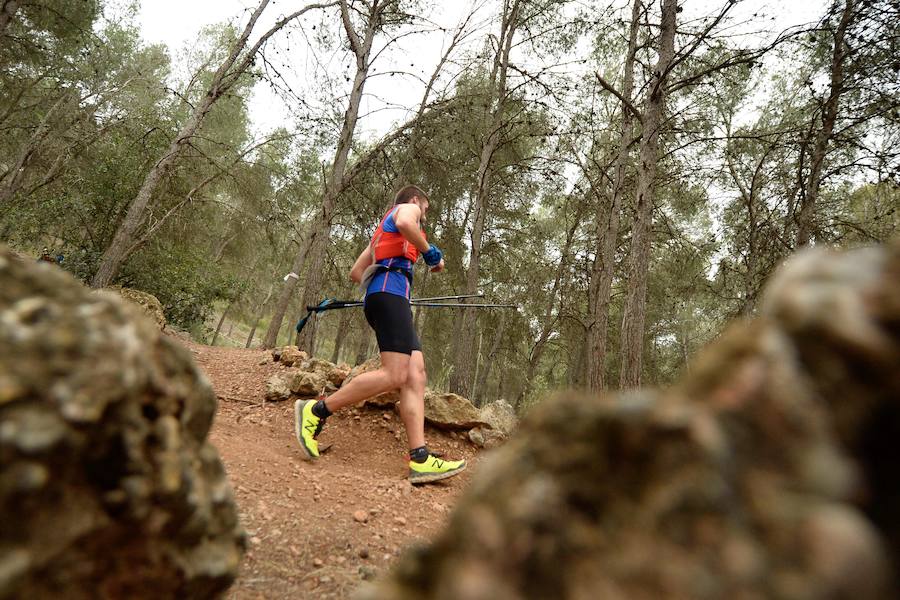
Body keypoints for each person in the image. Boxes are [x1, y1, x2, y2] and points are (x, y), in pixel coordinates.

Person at [294, 185, 467, 484]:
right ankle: (317, 410)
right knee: (395, 374)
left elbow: (356, 272)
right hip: (390, 296)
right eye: (425, 208)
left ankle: (420, 459)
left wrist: (383, 287)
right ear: (415, 200)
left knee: (416, 374)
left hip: (389, 297)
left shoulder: (379, 235)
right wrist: (429, 253)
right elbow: (405, 223)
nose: (424, 214)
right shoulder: (405, 210)